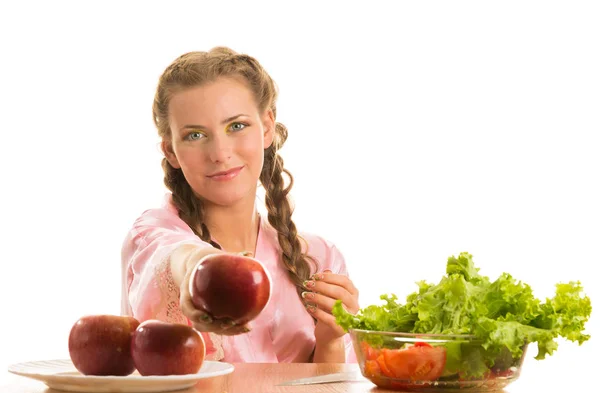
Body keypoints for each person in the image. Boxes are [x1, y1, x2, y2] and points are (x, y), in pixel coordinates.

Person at [120, 46, 359, 363]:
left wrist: (329, 342)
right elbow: (176, 256)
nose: (219, 152)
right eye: (195, 135)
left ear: (267, 127)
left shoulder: (320, 259)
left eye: (236, 126)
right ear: (171, 151)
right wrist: (199, 271)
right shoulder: (151, 235)